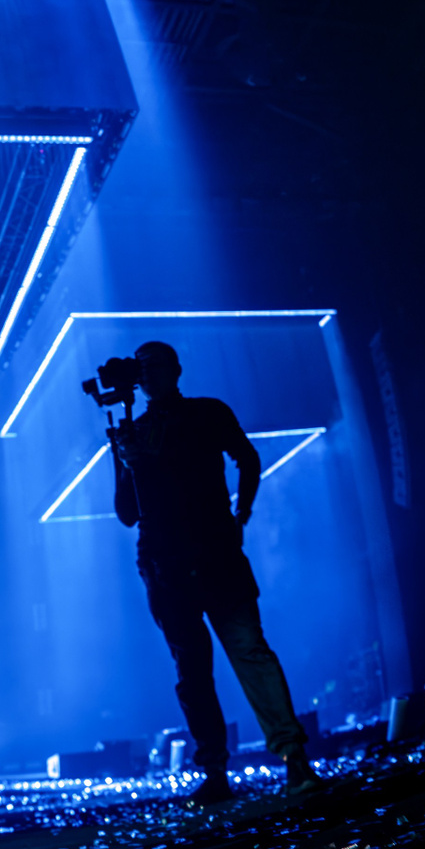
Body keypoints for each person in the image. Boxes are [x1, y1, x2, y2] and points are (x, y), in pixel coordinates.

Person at [109, 342, 317, 803]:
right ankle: (217, 771)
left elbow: (247, 458)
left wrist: (242, 512)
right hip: (165, 563)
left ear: (176, 370)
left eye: (155, 365)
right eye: (141, 368)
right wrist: (125, 463)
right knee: (194, 669)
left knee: (248, 651)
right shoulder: (132, 432)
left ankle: (292, 756)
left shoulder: (207, 412)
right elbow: (126, 512)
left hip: (213, 553)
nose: (147, 374)